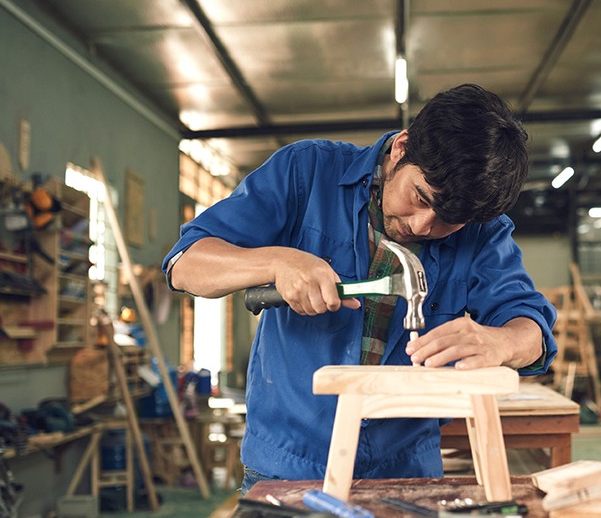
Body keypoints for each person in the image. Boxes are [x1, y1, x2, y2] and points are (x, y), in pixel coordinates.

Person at [162, 84, 557, 493]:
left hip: (408, 474)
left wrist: (503, 342)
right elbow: (185, 265)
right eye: (420, 197)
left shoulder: (482, 231)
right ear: (402, 148)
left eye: (448, 221)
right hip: (288, 467)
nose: (422, 226)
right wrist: (276, 261)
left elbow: (533, 329)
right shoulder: (307, 172)